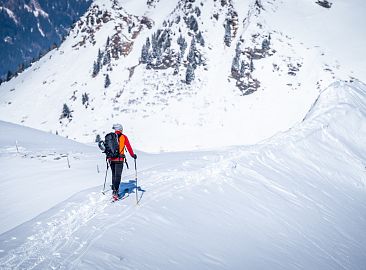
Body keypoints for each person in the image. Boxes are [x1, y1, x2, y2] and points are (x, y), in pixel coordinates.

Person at [109, 123, 137, 199]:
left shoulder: (110, 137)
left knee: (113, 174)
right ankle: (115, 192)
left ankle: (114, 189)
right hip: (119, 159)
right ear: (121, 129)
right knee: (118, 176)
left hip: (111, 159)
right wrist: (133, 155)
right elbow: (129, 147)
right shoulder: (124, 137)